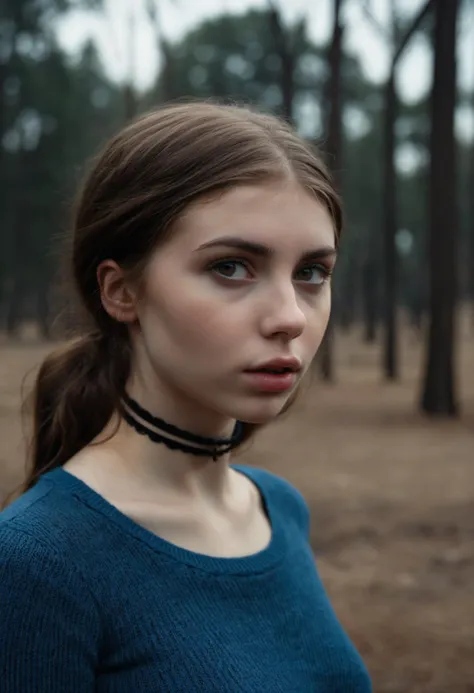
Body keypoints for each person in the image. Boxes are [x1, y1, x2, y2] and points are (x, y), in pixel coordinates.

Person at [0, 101, 372, 692]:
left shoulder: (279, 511)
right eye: (231, 267)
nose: (289, 317)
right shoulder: (38, 564)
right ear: (121, 291)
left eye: (312, 273)